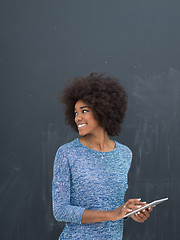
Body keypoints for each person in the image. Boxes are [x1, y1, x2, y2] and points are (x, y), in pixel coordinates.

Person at [52, 73, 152, 240]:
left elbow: (112, 207)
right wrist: (112, 214)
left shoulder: (124, 154)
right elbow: (60, 211)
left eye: (84, 111)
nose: (78, 117)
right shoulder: (67, 153)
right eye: (76, 112)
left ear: (102, 111)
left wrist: (128, 212)